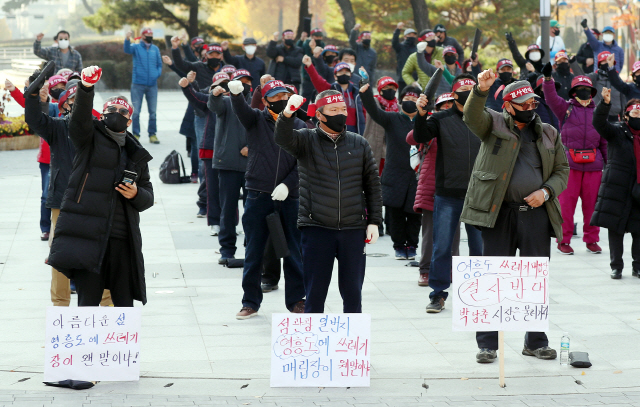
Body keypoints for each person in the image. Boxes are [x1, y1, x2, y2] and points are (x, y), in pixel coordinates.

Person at [462, 72, 568, 364]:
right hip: (499, 214)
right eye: (523, 102)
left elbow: (562, 171)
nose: (530, 106)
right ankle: (487, 345)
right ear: (508, 105)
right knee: (492, 281)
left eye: (532, 101)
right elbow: (471, 117)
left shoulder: (548, 132)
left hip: (536, 215)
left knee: (535, 281)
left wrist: (546, 192)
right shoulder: (492, 123)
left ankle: (535, 341)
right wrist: (480, 90)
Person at [49, 66, 154, 307]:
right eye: (110, 110)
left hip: (122, 241)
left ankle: (120, 346)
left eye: (121, 111)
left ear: (130, 119)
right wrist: (86, 88)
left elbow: (148, 197)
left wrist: (137, 193)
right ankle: (86, 346)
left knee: (124, 305)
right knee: (88, 304)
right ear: (102, 114)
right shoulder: (88, 138)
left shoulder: (136, 153)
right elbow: (79, 119)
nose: (116, 113)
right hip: (90, 239)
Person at [275, 90, 383, 313]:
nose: (340, 114)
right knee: (315, 293)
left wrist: (374, 221)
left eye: (343, 109)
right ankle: (315, 344)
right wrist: (287, 114)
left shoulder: (359, 143)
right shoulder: (305, 139)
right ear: (320, 115)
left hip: (353, 229)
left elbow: (372, 184)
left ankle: (351, 343)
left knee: (353, 293)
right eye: (333, 110)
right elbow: (282, 138)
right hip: (316, 228)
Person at [24, 77, 114, 307]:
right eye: (74, 100)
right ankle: (60, 307)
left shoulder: (100, 128)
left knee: (102, 250)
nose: (80, 104)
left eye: (83, 99)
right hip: (62, 201)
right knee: (60, 254)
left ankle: (107, 305)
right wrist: (32, 97)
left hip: (95, 201)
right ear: (64, 105)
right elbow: (34, 119)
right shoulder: (56, 127)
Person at [227, 78, 306, 318]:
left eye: (284, 96)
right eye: (275, 97)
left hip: (289, 196)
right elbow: (241, 110)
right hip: (258, 194)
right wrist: (236, 95)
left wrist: (287, 184)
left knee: (293, 250)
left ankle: (296, 300)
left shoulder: (301, 125)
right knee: (254, 250)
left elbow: (304, 162)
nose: (281, 101)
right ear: (265, 101)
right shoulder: (256, 120)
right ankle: (250, 300)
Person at [413, 74, 483, 313]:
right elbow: (420, 136)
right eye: (462, 89)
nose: (467, 91)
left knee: (479, 248)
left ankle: (478, 293)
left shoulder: (485, 118)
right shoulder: (440, 118)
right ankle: (438, 294)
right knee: (441, 246)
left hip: (479, 194)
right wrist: (421, 115)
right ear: (453, 95)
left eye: (471, 88)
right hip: (448, 195)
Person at [542, 64, 606, 255]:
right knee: (566, 206)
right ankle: (563, 240)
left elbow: (603, 141)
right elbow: (551, 98)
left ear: (592, 92)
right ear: (573, 92)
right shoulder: (565, 109)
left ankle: (592, 240)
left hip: (594, 167)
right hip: (570, 165)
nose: (583, 92)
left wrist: (608, 163)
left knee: (592, 206)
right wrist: (547, 80)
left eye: (587, 89)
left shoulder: (598, 112)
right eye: (579, 89)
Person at [407, 93, 462, 287]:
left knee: (453, 232)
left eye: (450, 106)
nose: (447, 109)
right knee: (430, 232)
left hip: (454, 187)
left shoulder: (460, 126)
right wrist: (426, 120)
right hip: (431, 186)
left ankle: (451, 268)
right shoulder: (432, 126)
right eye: (442, 106)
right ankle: (426, 270)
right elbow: (411, 137)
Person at [361, 82, 421, 260]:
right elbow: (374, 111)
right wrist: (365, 93)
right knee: (395, 213)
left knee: (415, 214)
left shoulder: (425, 121)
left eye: (414, 98)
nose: (410, 100)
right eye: (406, 98)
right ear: (400, 101)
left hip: (417, 175)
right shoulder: (392, 119)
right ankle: (399, 246)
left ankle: (412, 245)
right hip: (394, 173)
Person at [592, 90, 640, 279]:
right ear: (626, 115)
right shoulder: (617, 131)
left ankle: (638, 266)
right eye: (635, 113)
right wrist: (604, 104)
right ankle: (616, 266)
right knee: (616, 229)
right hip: (617, 188)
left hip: (638, 189)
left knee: (638, 230)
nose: (638, 116)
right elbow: (599, 123)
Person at [207, 71, 251, 264]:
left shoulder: (255, 104)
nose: (243, 85)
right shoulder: (225, 102)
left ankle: (252, 248)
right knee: (228, 209)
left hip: (252, 166)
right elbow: (213, 106)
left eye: (247, 82)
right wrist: (215, 94)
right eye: (239, 82)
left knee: (252, 211)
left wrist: (252, 147)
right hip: (228, 164)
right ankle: (226, 250)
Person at [179, 71, 225, 236]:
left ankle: (230, 223)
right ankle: (214, 222)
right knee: (211, 187)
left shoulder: (237, 101)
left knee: (230, 191)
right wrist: (187, 86)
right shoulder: (207, 101)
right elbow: (194, 96)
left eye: (225, 85)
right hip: (210, 150)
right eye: (217, 86)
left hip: (231, 153)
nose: (221, 89)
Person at [302, 56, 366, 134]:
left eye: (347, 72)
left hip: (355, 132)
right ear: (335, 76)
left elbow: (364, 114)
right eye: (341, 72)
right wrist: (309, 66)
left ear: (350, 75)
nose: (344, 74)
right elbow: (317, 80)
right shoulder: (329, 89)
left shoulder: (357, 93)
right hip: (333, 131)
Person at [124, 28, 162, 144]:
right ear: (142, 35)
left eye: (151, 33)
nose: (150, 35)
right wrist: (127, 39)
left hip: (152, 85)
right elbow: (127, 50)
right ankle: (136, 134)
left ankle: (152, 134)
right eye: (148, 34)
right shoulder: (136, 47)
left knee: (153, 112)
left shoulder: (155, 49)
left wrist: (157, 74)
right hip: (137, 85)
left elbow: (159, 64)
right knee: (135, 112)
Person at [362, 76, 399, 178]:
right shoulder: (374, 104)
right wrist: (365, 81)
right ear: (380, 90)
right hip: (373, 149)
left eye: (393, 88)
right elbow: (367, 99)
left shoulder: (399, 108)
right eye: (387, 88)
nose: (390, 90)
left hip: (391, 153)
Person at [583, 51, 627, 122]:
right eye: (603, 61)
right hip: (598, 117)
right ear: (599, 65)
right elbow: (581, 77)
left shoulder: (617, 80)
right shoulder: (594, 77)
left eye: (608, 61)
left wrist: (624, 115)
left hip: (615, 118)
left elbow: (623, 99)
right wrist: (573, 62)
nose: (606, 63)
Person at [297, 29, 325, 106]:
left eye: (320, 36)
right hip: (307, 76)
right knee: (305, 97)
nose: (319, 38)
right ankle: (304, 116)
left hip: (319, 75)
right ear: (312, 36)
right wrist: (301, 40)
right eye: (317, 36)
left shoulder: (322, 44)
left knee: (318, 98)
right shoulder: (306, 44)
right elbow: (297, 50)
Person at [392, 23, 418, 92]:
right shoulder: (400, 47)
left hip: (415, 78)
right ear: (405, 37)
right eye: (409, 35)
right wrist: (398, 29)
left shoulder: (418, 48)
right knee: (402, 97)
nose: (412, 37)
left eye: (413, 35)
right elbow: (394, 42)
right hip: (402, 78)